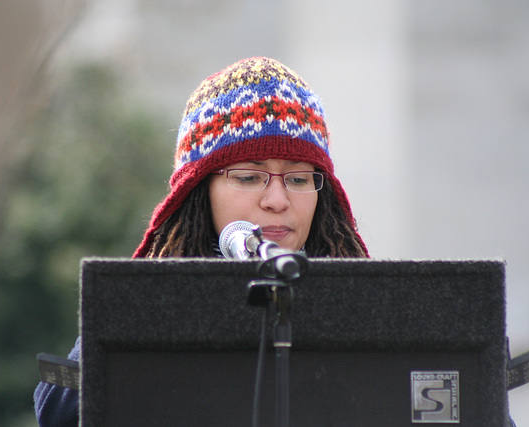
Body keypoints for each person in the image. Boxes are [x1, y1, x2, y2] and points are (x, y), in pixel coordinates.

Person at [33, 56, 368, 426]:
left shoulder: (362, 301)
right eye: (248, 177)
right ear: (197, 191)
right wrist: (154, 306)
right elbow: (58, 413)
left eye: (299, 179)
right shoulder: (153, 299)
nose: (277, 200)